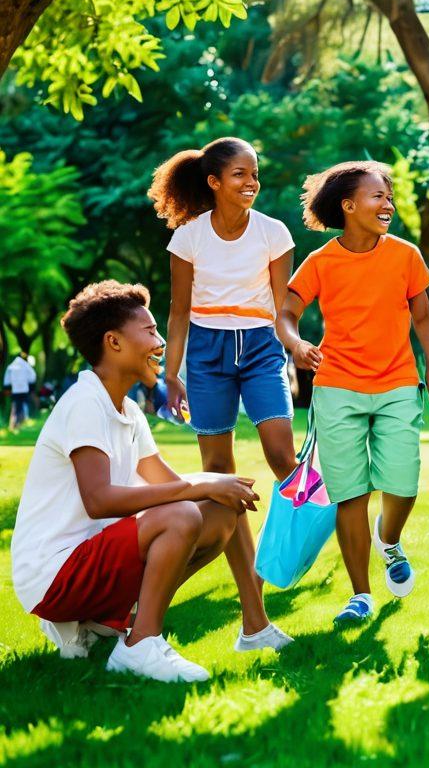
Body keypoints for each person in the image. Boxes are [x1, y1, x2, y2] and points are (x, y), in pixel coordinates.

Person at [11, 281, 259, 682]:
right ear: (113, 342)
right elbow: (100, 500)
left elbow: (170, 482)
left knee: (216, 514)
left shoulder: (127, 411)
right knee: (181, 516)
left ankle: (98, 625)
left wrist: (216, 485)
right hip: (53, 573)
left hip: (90, 559)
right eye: (149, 332)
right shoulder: (84, 403)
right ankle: (139, 644)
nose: (160, 342)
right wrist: (203, 485)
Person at [278, 160, 429, 625]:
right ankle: (361, 595)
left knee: (403, 482)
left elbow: (424, 317)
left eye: (388, 196)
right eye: (377, 196)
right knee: (350, 494)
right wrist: (296, 344)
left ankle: (390, 539)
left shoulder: (405, 254)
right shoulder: (320, 261)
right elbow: (287, 313)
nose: (387, 205)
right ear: (349, 205)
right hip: (337, 388)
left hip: (398, 383)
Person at [148, 137, 296, 652]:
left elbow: (283, 308)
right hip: (206, 355)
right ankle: (254, 622)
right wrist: (172, 372)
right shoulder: (188, 238)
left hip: (259, 348)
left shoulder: (273, 233)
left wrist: (294, 348)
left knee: (284, 459)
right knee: (221, 483)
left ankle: (310, 540)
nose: (251, 182)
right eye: (239, 174)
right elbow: (178, 310)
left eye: (254, 173)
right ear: (213, 182)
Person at [5, 352, 38, 430]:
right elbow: (32, 377)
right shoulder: (26, 366)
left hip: (15, 390)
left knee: (15, 406)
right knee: (23, 406)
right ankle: (21, 423)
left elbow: (7, 380)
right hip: (24, 389)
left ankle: (12, 424)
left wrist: (8, 385)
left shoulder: (11, 366)